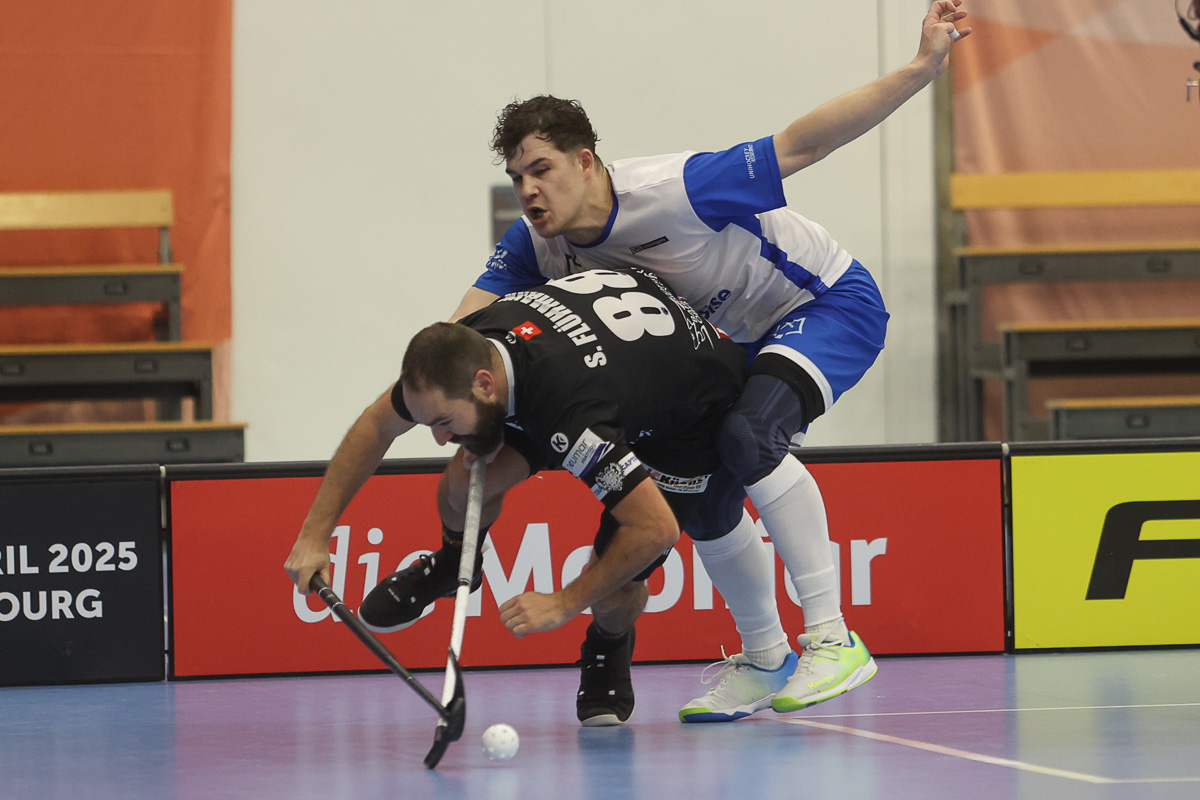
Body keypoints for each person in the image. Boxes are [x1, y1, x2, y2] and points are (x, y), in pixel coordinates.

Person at [435, 0, 972, 722]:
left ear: (585, 161)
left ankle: (833, 637)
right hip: (731, 347)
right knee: (704, 497)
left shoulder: (678, 189)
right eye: (516, 176)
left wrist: (921, 66)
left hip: (823, 303)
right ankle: (765, 657)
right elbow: (459, 334)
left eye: (541, 169)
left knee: (750, 437)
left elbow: (805, 144)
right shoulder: (537, 242)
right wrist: (426, 397)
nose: (527, 190)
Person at [286, 266, 775, 726]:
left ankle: (608, 640)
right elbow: (376, 425)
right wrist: (314, 535)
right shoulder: (466, 347)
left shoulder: (571, 412)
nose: (438, 438)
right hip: (598, 370)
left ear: (484, 384)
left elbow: (655, 529)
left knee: (614, 588)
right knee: (463, 481)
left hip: (687, 418)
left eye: (444, 422)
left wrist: (563, 602)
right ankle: (456, 560)